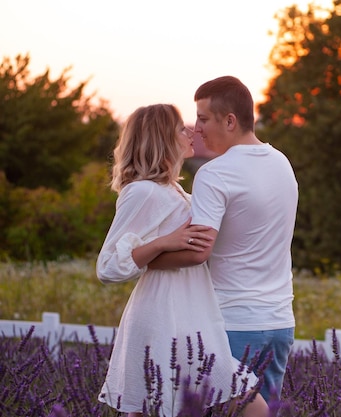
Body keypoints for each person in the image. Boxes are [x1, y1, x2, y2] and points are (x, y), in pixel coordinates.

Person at [96, 104, 268, 417]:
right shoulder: (141, 192)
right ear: (161, 138)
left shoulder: (174, 190)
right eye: (180, 128)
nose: (190, 132)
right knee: (248, 405)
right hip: (164, 315)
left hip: (193, 312)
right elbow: (107, 266)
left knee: (235, 402)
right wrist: (163, 242)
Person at [149, 76, 299, 402]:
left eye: (203, 118)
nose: (197, 127)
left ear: (230, 120)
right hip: (279, 323)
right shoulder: (282, 163)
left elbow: (197, 252)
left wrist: (145, 257)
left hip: (231, 323)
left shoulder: (215, 173)